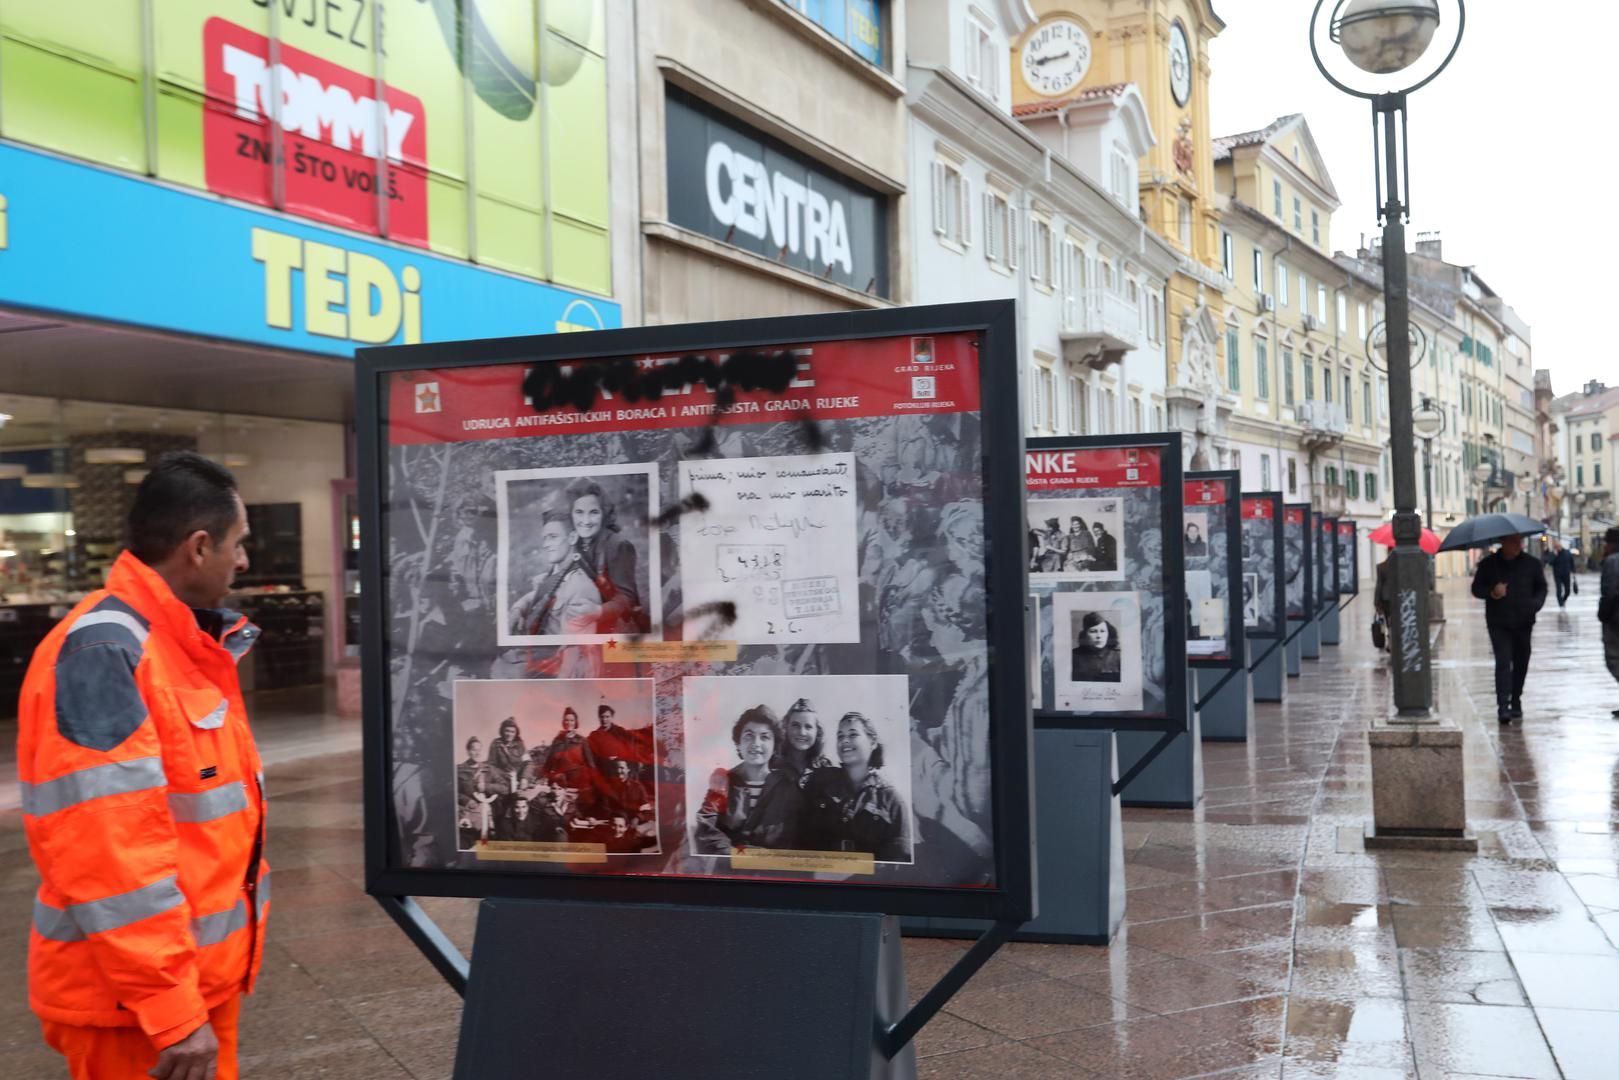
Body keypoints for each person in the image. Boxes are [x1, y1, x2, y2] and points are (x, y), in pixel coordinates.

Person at [18, 451, 266, 1079]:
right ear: (198, 546)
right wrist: (172, 1010)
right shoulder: (107, 652)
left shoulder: (178, 645)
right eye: (239, 544)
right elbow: (108, 852)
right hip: (137, 1013)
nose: (245, 562)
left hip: (187, 989)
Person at [802, 712, 912, 861]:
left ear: (872, 743)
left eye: (853, 735)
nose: (844, 740)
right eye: (840, 736)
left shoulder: (891, 800)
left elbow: (899, 862)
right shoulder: (819, 784)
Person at [693, 705, 802, 853]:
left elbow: (794, 838)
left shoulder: (788, 787)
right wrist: (735, 856)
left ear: (775, 746)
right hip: (728, 868)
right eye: (749, 735)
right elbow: (704, 827)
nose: (756, 743)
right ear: (738, 743)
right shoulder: (723, 782)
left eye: (765, 737)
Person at [1470, 533, 1548, 722]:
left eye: (1518, 541)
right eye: (1513, 542)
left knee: (1521, 662)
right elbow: (1476, 589)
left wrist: (1535, 605)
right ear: (1502, 543)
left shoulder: (1532, 564)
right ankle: (1503, 706)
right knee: (1503, 663)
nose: (1517, 545)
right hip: (1499, 622)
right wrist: (1492, 592)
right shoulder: (1489, 564)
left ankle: (1516, 699)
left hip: (1524, 621)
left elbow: (1542, 588)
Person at [568, 479, 647, 633]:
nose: (586, 521)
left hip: (610, 628)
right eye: (579, 512)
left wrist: (598, 611)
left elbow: (627, 599)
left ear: (604, 513)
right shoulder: (574, 540)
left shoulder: (617, 546)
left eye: (594, 512)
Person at [510, 509, 603, 640]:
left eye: (553, 537)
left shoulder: (581, 588)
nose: (545, 545)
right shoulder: (555, 574)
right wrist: (518, 609)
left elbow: (574, 651)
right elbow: (536, 595)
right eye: (545, 538)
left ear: (572, 538)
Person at [777, 697, 834, 783]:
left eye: (808, 727)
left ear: (817, 731)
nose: (802, 732)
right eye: (795, 725)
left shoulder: (825, 768)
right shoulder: (775, 764)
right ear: (786, 727)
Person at [1599, 527, 1619, 717]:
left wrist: (1603, 615)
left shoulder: (1612, 562)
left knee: (1613, 659)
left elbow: (1610, 592)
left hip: (1615, 619)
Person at [1070, 612, 1123, 682]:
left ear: (1108, 634)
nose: (1099, 636)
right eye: (1093, 631)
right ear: (1085, 635)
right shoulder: (1074, 656)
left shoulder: (1119, 656)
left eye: (1102, 631)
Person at [1551, 540, 1576, 608]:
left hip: (1566, 574)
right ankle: (1561, 604)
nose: (1557, 548)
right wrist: (1554, 555)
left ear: (1561, 546)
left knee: (1567, 591)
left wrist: (1573, 572)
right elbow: (1550, 562)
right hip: (1557, 575)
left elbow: (1572, 562)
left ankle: (1563, 600)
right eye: (1556, 547)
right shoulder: (1554, 554)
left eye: (1558, 546)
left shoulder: (1567, 553)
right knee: (1559, 590)